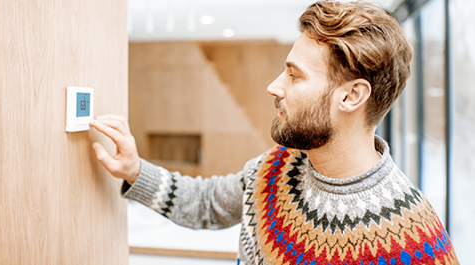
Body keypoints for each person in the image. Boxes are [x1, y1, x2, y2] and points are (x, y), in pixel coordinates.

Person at [90, 1, 459, 264]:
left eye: (295, 75)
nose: (274, 86)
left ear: (351, 95)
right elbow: (207, 204)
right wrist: (134, 170)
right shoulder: (280, 164)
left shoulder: (415, 245)